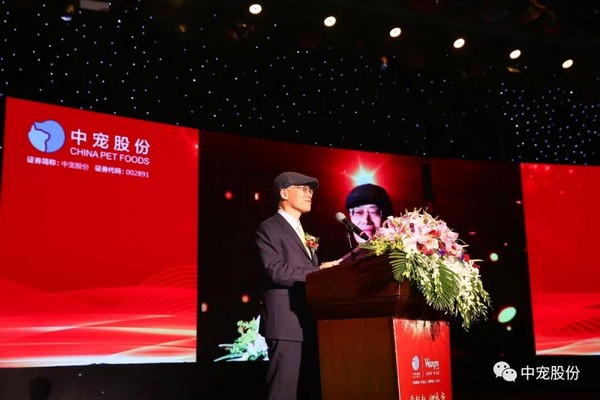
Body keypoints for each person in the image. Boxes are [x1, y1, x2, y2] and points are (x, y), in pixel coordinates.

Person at [256, 171, 340, 400]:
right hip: (285, 322)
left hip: (307, 320)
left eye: (310, 190)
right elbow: (275, 270)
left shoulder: (302, 231)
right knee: (283, 391)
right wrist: (318, 271)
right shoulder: (269, 228)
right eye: (303, 189)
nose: (309, 194)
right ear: (284, 193)